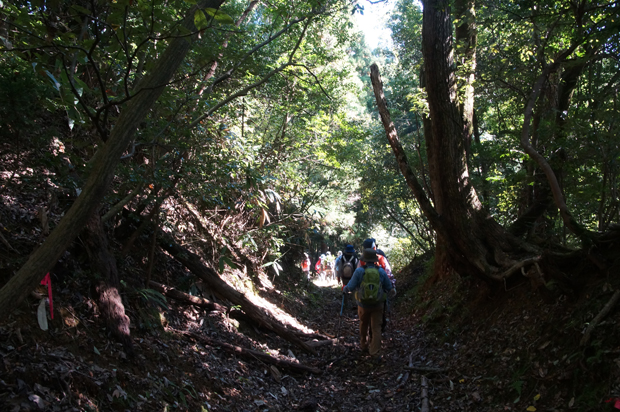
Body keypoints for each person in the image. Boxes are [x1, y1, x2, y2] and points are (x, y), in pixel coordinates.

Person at [343, 248, 395, 357]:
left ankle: (364, 345)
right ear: (374, 259)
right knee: (376, 327)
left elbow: (351, 287)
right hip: (378, 304)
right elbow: (388, 287)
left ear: (364, 259)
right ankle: (375, 351)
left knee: (363, 323)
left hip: (363, 304)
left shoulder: (359, 271)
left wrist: (345, 289)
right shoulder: (380, 271)